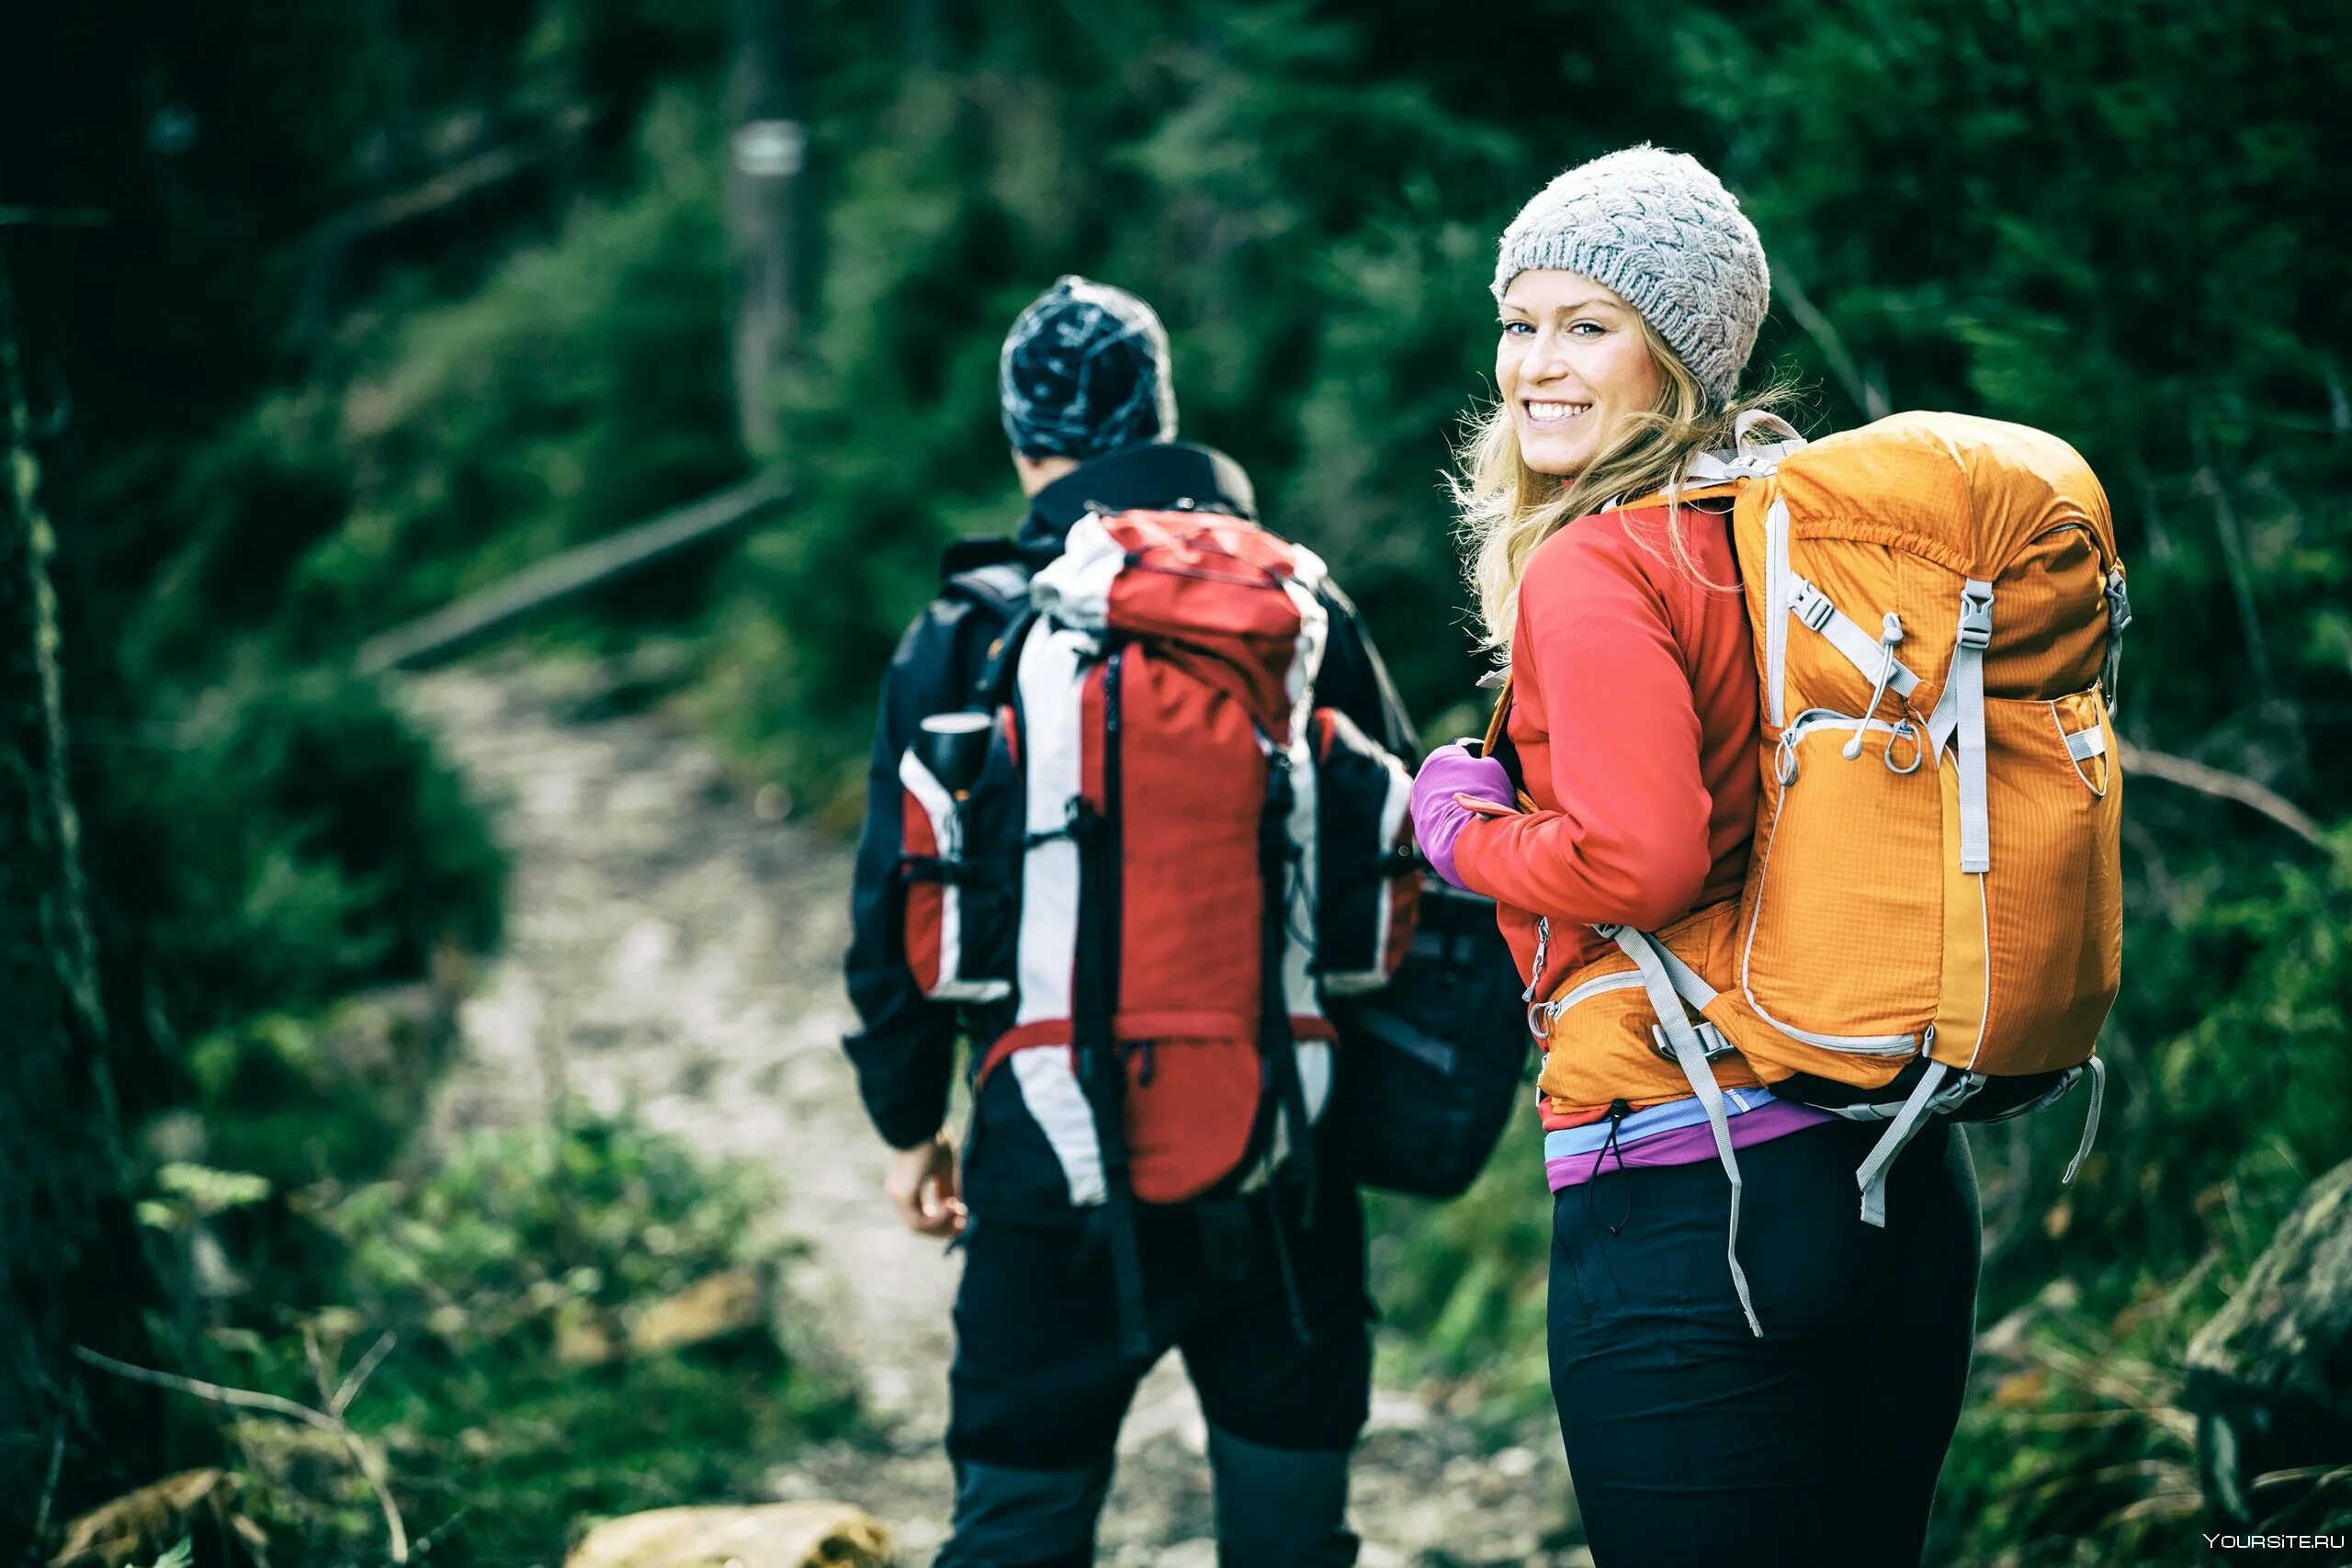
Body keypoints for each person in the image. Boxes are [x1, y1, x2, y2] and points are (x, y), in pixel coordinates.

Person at [1408, 148, 1983, 1567]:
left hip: (1696, 1195)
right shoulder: (1818, 542)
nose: (1537, 363)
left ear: (1677, 356)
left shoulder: (1602, 565)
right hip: (1898, 1178)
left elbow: (1641, 860)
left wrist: (1460, 831)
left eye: (1588, 326)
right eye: (1520, 321)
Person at [844, 275, 1416, 1568]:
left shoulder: (974, 625)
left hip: (1046, 1152)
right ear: (1163, 416)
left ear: (1019, 440)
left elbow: (891, 909)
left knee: (1018, 1528)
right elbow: (1402, 862)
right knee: (1291, 1535)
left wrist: (906, 1123)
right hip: (1289, 1153)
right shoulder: (1299, 614)